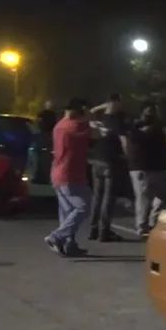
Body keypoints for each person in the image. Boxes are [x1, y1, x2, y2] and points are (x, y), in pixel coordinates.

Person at [45, 98, 93, 257]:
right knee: (83, 207)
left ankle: (69, 245)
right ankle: (56, 237)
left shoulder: (60, 125)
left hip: (60, 173)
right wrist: (90, 117)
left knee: (67, 212)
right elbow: (96, 133)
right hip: (70, 175)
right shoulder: (74, 126)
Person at [127, 101, 166, 237]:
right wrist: (146, 130)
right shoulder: (135, 125)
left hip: (159, 166)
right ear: (142, 111)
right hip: (142, 167)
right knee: (144, 198)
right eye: (149, 110)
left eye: (154, 110)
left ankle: (153, 219)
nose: (152, 113)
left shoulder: (157, 126)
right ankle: (141, 227)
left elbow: (163, 144)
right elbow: (133, 139)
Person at [88, 92, 128, 242]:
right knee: (108, 197)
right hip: (110, 160)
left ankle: (93, 230)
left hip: (96, 159)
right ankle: (104, 231)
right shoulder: (118, 120)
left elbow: (89, 112)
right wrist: (127, 157)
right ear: (117, 103)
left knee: (97, 196)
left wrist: (103, 106)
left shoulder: (99, 118)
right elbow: (124, 141)